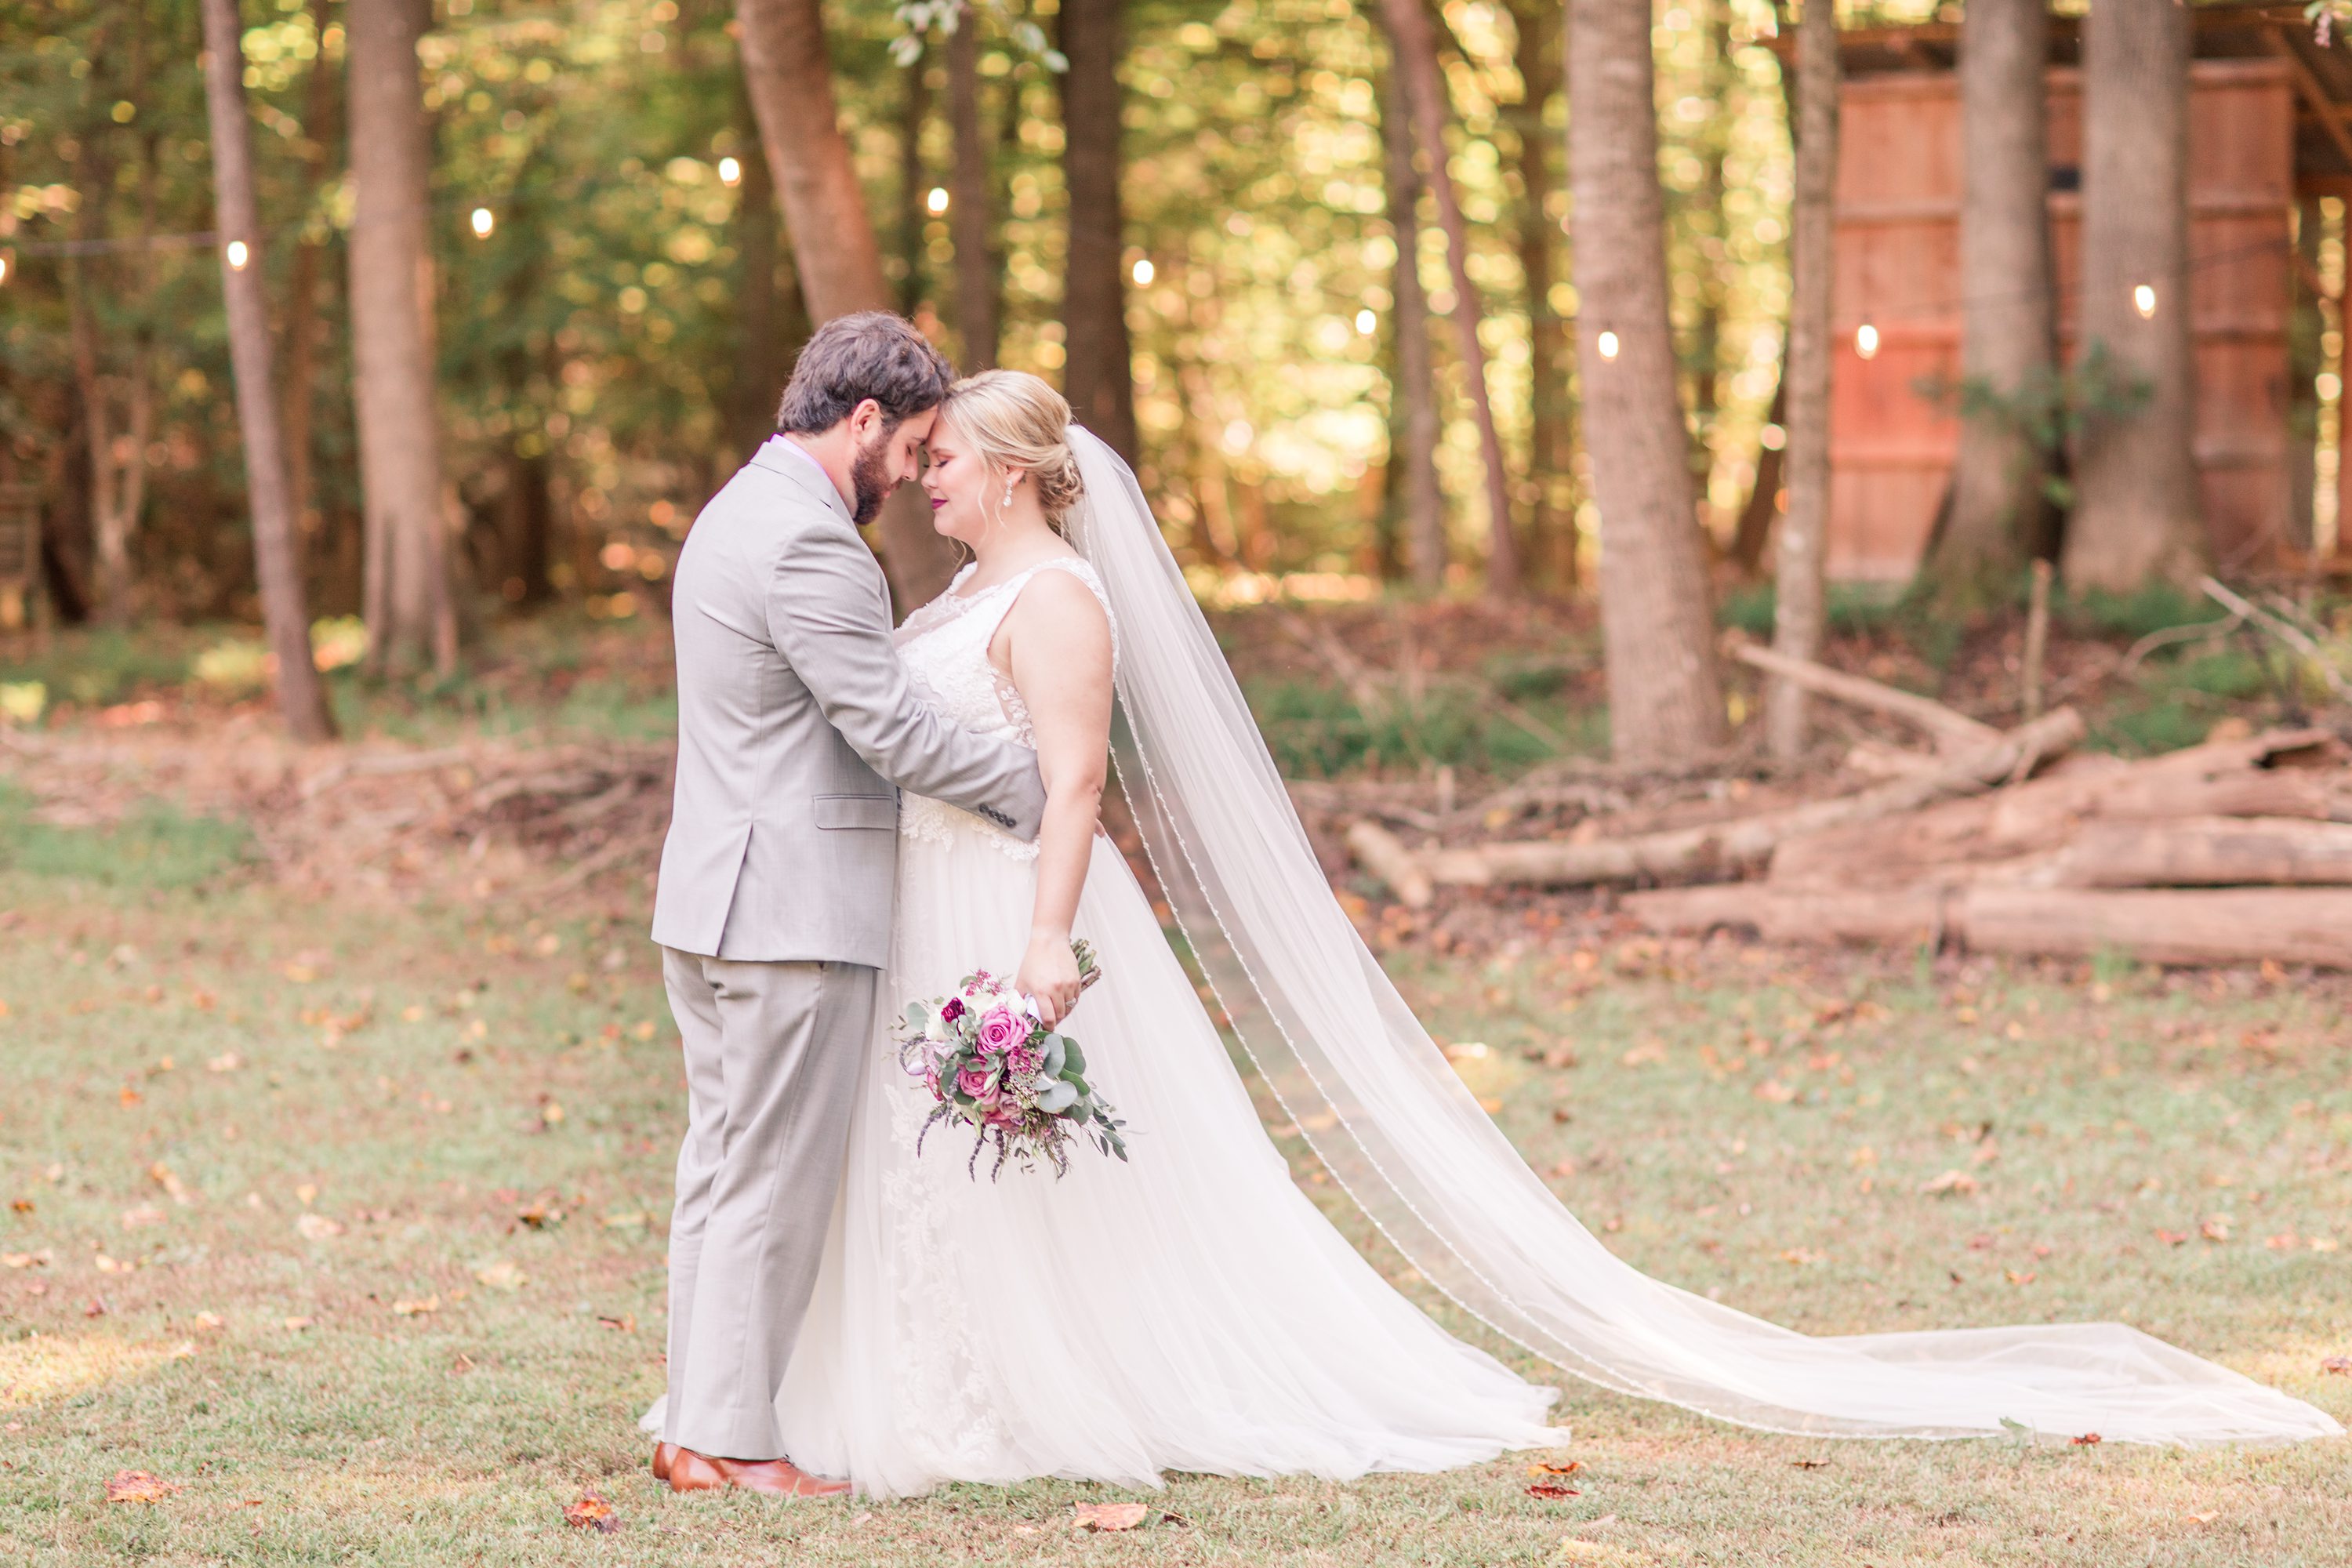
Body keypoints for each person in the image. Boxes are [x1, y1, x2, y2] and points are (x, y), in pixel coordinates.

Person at [646, 315, 1047, 1497]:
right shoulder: (810, 543)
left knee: (723, 1171)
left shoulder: (737, 509)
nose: (915, 472)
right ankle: (733, 1445)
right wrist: (1023, 783)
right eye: (913, 445)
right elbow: (888, 726)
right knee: (771, 1182)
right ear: (863, 419)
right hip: (789, 911)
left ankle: (694, 1430)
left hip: (716, 899)